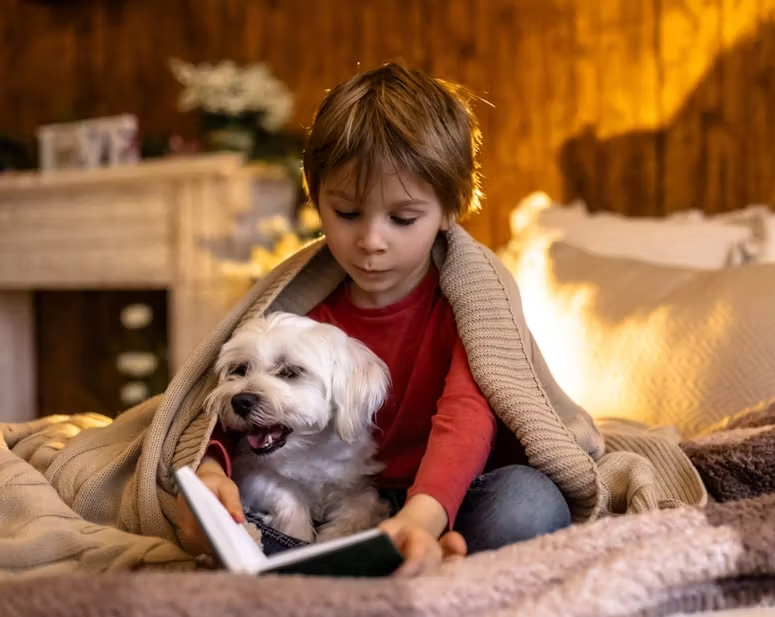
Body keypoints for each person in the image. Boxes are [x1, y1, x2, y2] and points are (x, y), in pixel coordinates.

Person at [174, 62, 571, 576]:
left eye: (402, 219)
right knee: (216, 512)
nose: (371, 242)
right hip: (329, 489)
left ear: (450, 209)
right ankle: (370, 568)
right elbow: (230, 408)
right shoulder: (298, 311)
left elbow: (466, 418)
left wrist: (422, 518)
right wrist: (210, 471)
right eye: (346, 214)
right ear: (318, 201)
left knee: (529, 504)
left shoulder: (470, 304)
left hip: (447, 491)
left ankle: (402, 554)